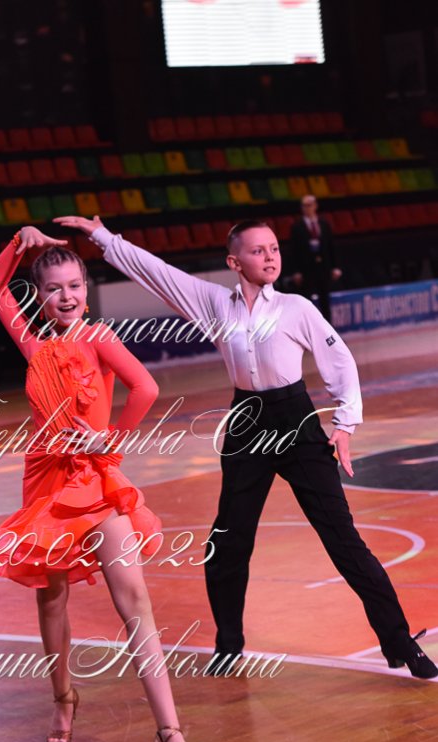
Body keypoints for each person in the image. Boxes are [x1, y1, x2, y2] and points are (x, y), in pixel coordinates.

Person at [54, 213, 437, 681]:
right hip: (246, 426)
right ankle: (229, 645)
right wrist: (101, 237)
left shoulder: (296, 307)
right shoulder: (215, 303)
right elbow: (158, 273)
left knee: (344, 540)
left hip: (297, 423)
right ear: (234, 262)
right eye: (258, 251)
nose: (270, 257)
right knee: (227, 542)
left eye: (274, 248)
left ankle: (400, 643)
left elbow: (340, 359)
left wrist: (345, 422)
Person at [0, 226, 213, 742]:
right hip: (46, 483)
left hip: (95, 481)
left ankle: (170, 732)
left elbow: (145, 388)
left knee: (135, 600)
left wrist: (111, 440)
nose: (66, 296)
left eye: (75, 285)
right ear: (39, 295)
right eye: (54, 288)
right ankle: (64, 697)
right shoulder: (33, 344)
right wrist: (22, 243)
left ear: (87, 288)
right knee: (51, 599)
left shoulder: (98, 336)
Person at [289, 195, 341, 322]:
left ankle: (328, 328)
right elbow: (294, 250)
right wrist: (296, 271)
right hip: (306, 269)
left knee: (325, 300)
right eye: (304, 206)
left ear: (315, 206)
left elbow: (331, 246)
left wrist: (335, 267)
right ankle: (307, 328)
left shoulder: (324, 224)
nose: (307, 208)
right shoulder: (297, 226)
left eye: (310, 205)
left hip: (323, 267)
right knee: (306, 301)